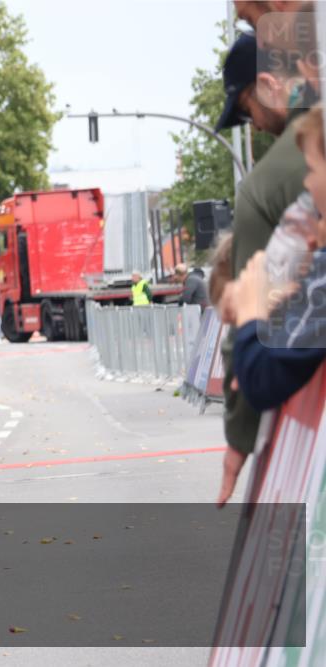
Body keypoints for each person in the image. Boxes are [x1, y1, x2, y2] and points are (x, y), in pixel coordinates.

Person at [216, 28, 313, 468]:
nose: (253, 123)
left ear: (269, 85)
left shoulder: (265, 186)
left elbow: (254, 329)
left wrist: (239, 438)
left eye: (246, 108)